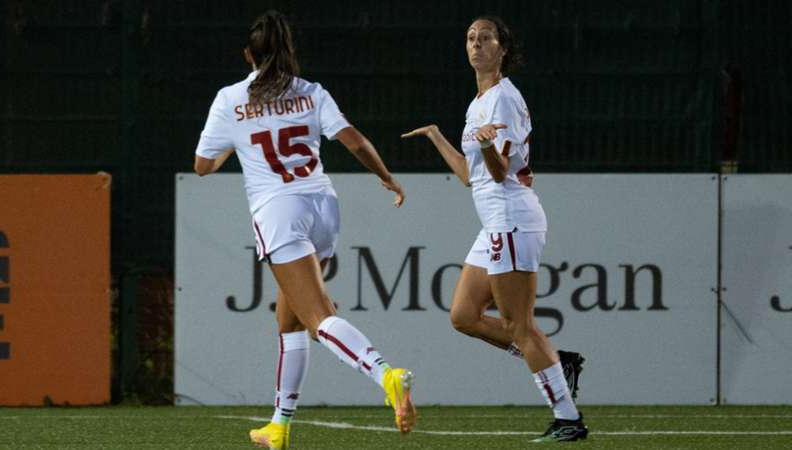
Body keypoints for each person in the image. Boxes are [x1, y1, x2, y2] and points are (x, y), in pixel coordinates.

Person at [193, 10, 416, 449]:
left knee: (318, 318)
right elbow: (353, 139)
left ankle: (386, 375)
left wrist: (232, 149)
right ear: (288, 52)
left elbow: (202, 166)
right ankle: (279, 425)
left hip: (279, 211)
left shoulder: (231, 98)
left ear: (248, 55)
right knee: (289, 318)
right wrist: (385, 175)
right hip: (323, 208)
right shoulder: (311, 92)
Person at [402, 15, 588, 443]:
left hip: (512, 218)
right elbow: (472, 175)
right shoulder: (479, 102)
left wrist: (487, 145)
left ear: (503, 48)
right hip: (494, 224)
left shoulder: (503, 98)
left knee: (519, 324)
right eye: (470, 37)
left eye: (485, 38)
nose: (476, 44)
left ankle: (568, 418)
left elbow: (501, 171)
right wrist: (436, 137)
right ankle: (558, 363)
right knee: (463, 315)